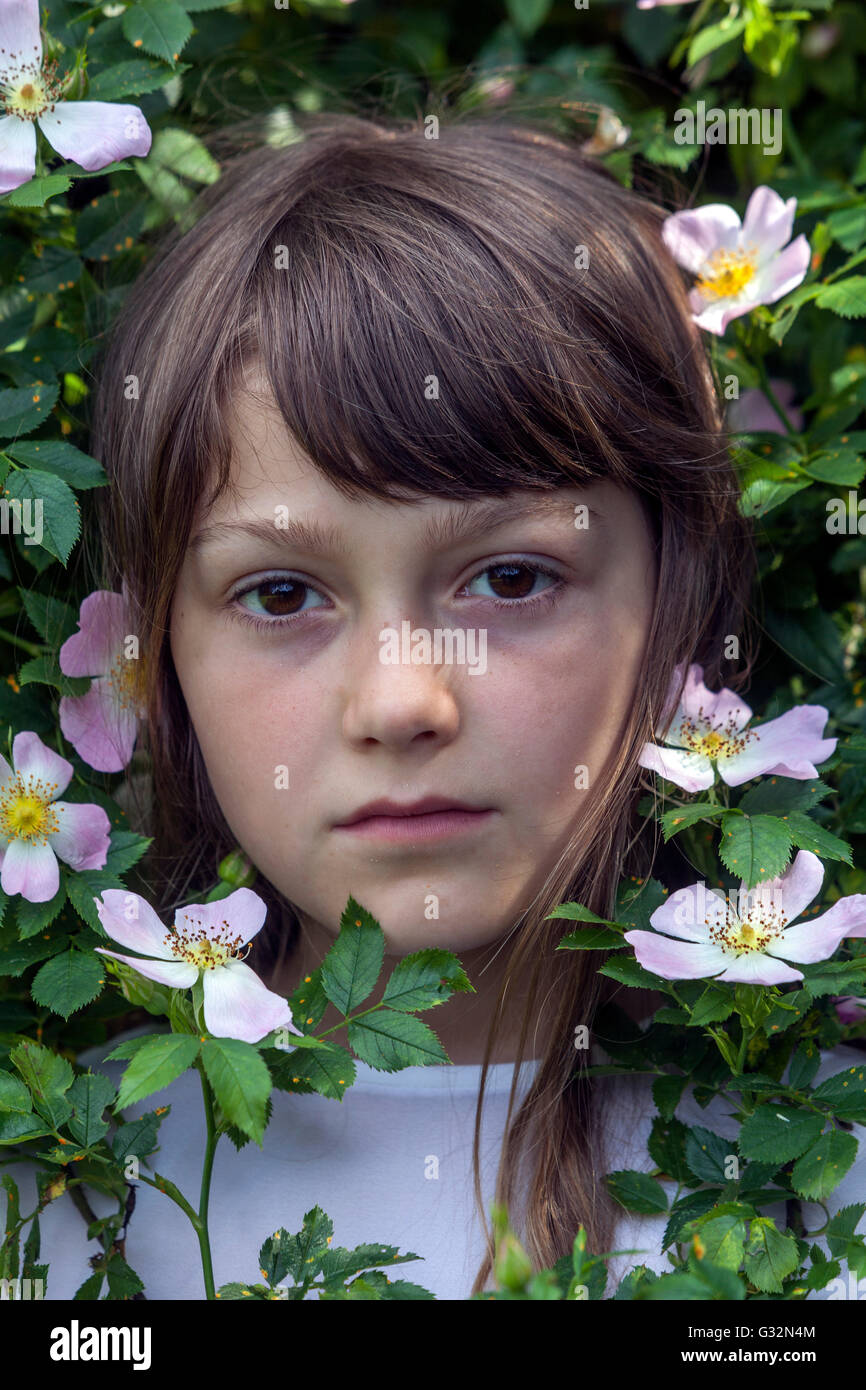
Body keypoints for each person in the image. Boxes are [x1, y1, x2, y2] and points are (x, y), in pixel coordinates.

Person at [17, 112, 865, 1300]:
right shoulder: (57, 1198)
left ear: (677, 601)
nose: (401, 701)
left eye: (510, 578)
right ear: (153, 655)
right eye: (279, 591)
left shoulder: (824, 1187)